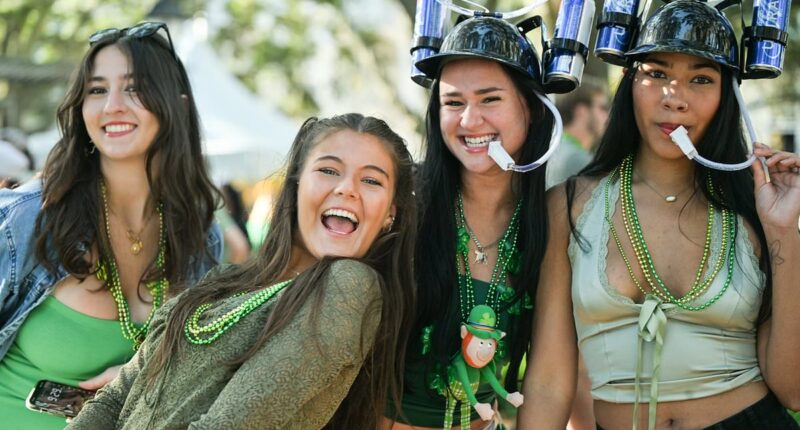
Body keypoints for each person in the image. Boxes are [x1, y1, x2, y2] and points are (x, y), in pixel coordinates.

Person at [519, 1, 800, 429]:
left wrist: (784, 230)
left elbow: (794, 389)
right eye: (657, 73)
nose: (675, 98)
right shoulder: (569, 204)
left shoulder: (753, 206)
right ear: (630, 81)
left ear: (728, 95)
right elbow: (547, 384)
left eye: (701, 78)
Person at [68, 113, 417, 429]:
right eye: (328, 170)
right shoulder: (224, 281)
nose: (346, 189)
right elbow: (117, 398)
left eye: (371, 180)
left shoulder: (349, 287)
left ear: (390, 213)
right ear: (295, 187)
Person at [0, 22, 221, 428]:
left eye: (134, 88)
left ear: (179, 106)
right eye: (97, 90)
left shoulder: (199, 237)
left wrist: (142, 377)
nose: (112, 105)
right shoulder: (27, 220)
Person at [382, 16, 556, 429]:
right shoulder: (399, 205)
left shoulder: (550, 220)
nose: (470, 121)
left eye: (490, 99)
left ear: (530, 109)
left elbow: (554, 377)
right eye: (454, 102)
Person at [546, 82, 609, 189]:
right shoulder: (578, 159)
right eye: (602, 108)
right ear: (582, 111)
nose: (607, 115)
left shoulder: (549, 145)